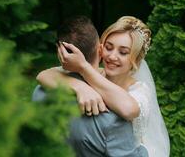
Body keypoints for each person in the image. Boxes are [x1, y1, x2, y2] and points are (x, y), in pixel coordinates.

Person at [38, 16, 170, 156]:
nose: (112, 56)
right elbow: (43, 75)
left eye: (123, 52)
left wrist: (83, 67)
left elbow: (128, 109)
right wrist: (79, 87)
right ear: (100, 48)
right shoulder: (95, 73)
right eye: (109, 47)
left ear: (135, 59)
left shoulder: (140, 91)